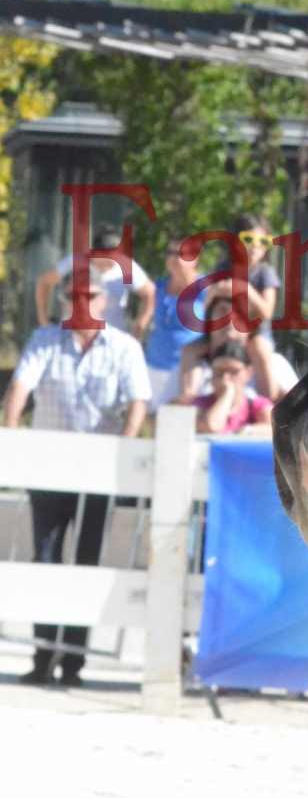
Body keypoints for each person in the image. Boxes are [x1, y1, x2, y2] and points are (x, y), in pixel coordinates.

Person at [4, 270, 151, 686]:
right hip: (49, 472)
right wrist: (12, 437)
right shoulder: (44, 339)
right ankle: (43, 656)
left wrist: (125, 449)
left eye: (90, 295)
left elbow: (137, 402)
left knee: (87, 563)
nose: (82, 301)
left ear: (104, 301)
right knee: (45, 561)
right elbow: (20, 387)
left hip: (99, 476)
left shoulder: (124, 347)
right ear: (65, 300)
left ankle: (73, 663)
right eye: (74, 295)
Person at [205, 214, 284, 399]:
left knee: (260, 351)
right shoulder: (222, 267)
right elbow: (207, 305)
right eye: (248, 239)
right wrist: (216, 290)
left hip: (256, 333)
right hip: (223, 330)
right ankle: (191, 398)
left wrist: (244, 288)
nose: (256, 246)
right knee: (191, 351)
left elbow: (267, 312)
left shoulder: (265, 273)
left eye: (263, 240)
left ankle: (267, 403)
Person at [33, 224, 155, 337]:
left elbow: (150, 292)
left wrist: (140, 326)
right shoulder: (76, 261)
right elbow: (44, 282)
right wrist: (44, 321)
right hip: (73, 337)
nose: (112, 261)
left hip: (111, 341)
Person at [142, 238, 205, 409]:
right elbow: (142, 322)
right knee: (150, 426)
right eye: (171, 253)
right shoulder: (157, 287)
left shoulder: (206, 289)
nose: (176, 258)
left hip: (188, 372)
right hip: (154, 366)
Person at [192, 340, 273, 436]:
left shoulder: (257, 405)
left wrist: (248, 430)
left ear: (248, 373)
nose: (225, 377)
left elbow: (276, 429)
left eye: (233, 371)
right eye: (219, 371)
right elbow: (211, 427)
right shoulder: (200, 404)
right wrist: (227, 393)